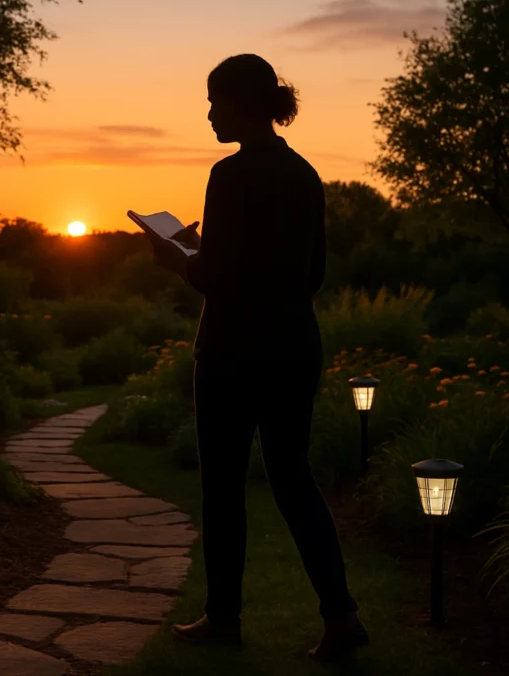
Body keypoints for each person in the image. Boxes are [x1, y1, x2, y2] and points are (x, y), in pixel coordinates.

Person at [146, 53, 368, 661]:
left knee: (223, 488)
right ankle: (341, 616)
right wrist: (208, 256)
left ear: (242, 102)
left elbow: (217, 276)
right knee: (294, 479)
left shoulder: (231, 174)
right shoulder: (303, 173)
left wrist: (179, 258)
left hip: (231, 354)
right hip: (295, 347)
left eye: (216, 100)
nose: (210, 112)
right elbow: (311, 273)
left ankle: (223, 621)